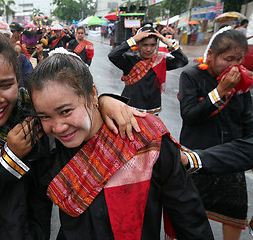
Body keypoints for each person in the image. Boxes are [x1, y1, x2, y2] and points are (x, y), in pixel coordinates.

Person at [0, 28, 146, 240]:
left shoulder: (32, 111)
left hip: (30, 229)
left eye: (6, 84)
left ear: (18, 81)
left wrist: (102, 102)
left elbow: (72, 111)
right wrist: (9, 158)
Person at [26, 51, 214, 239]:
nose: (58, 127)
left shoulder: (147, 139)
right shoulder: (46, 147)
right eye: (45, 116)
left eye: (66, 111)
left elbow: (189, 218)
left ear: (92, 94)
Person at [178, 26, 253, 240]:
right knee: (187, 218)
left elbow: (248, 121)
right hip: (195, 158)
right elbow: (190, 115)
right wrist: (220, 91)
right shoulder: (191, 76)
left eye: (239, 60)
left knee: (235, 214)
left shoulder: (241, 81)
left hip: (231, 160)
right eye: (228, 59)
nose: (234, 66)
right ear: (210, 55)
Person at [108, 25, 188, 114]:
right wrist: (133, 40)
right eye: (145, 45)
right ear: (137, 45)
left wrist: (167, 42)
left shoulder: (160, 61)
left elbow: (183, 61)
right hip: (130, 110)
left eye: (153, 45)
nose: (149, 49)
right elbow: (113, 55)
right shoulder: (129, 60)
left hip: (152, 111)